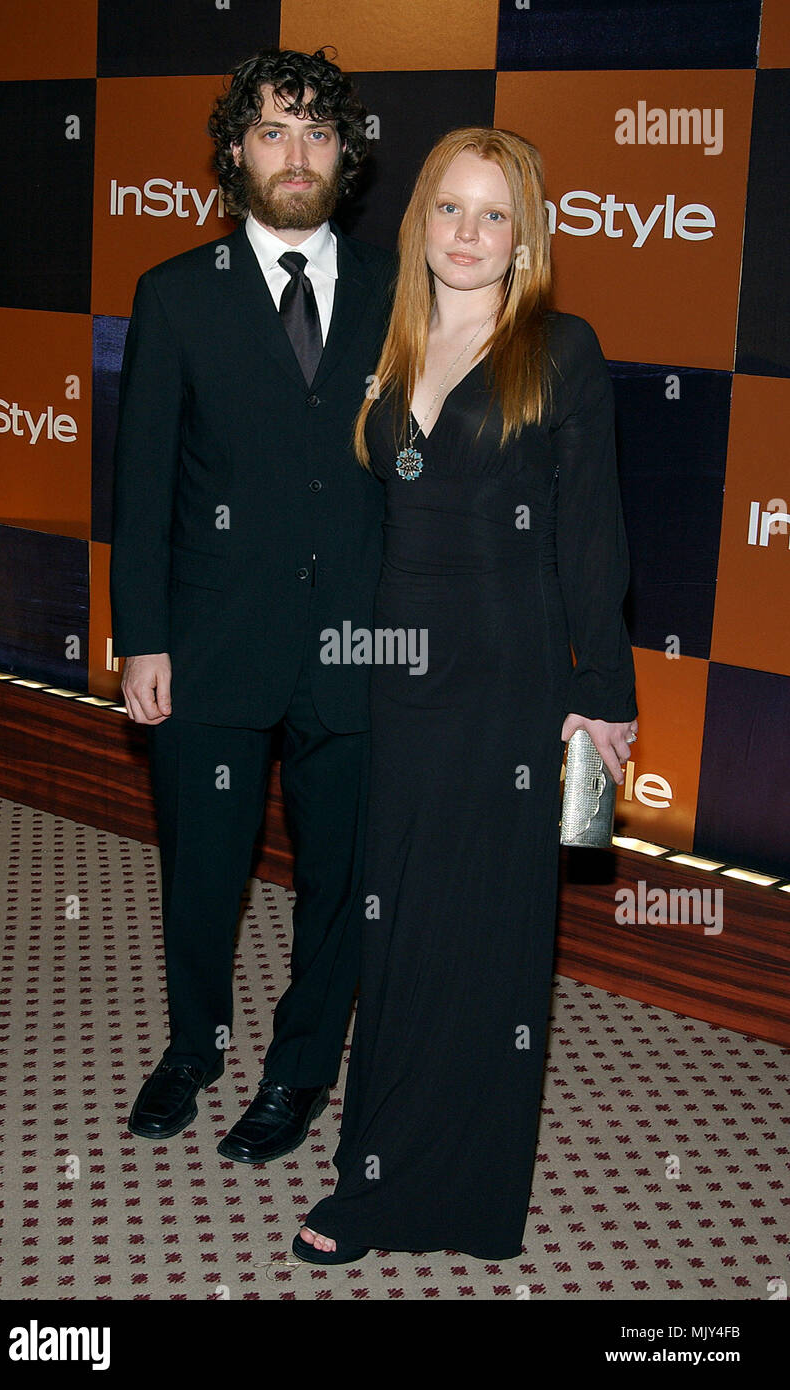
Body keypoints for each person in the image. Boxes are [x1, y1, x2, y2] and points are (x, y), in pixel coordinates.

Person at [292, 127, 639, 1264]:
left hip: (508, 686)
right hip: (402, 678)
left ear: (526, 233)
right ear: (420, 220)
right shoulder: (387, 341)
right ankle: (376, 1180)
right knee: (396, 933)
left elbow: (592, 539)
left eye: (497, 214)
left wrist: (603, 695)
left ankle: (471, 1197)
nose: (472, 234)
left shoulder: (562, 349)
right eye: (453, 208)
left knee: (487, 947)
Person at [110, 48, 394, 1162]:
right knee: (202, 870)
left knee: (341, 882)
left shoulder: (396, 288)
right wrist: (145, 639)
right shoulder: (177, 294)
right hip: (212, 646)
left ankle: (299, 1068)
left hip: (358, 648)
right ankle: (193, 1044)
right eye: (273, 131)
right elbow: (140, 487)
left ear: (347, 155)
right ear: (235, 150)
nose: (296, 154)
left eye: (318, 132)